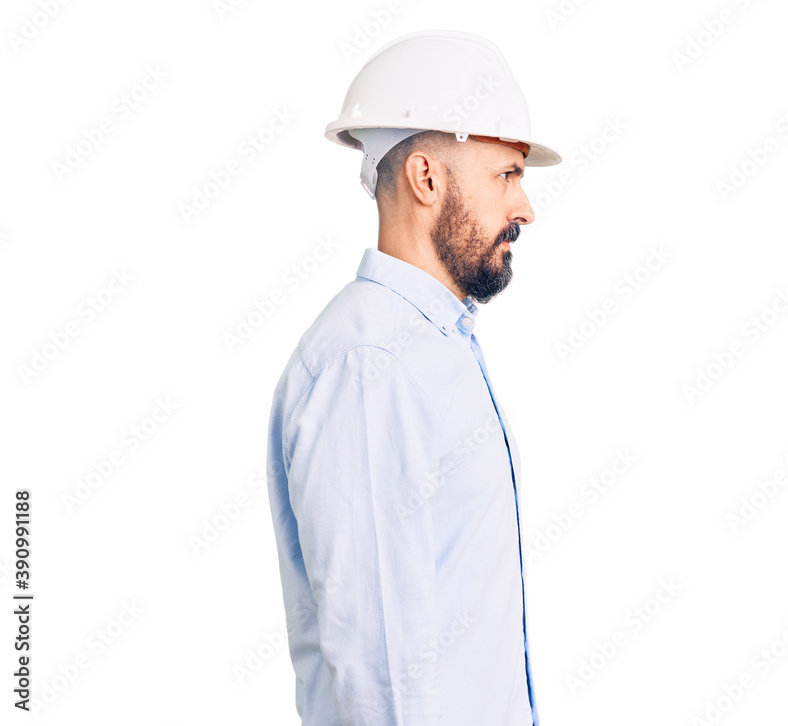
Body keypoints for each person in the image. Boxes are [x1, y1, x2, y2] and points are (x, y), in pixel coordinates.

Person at [265, 30, 562, 725]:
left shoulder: (427, 347)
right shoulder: (370, 364)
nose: (525, 209)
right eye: (506, 176)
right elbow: (383, 668)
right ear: (426, 178)